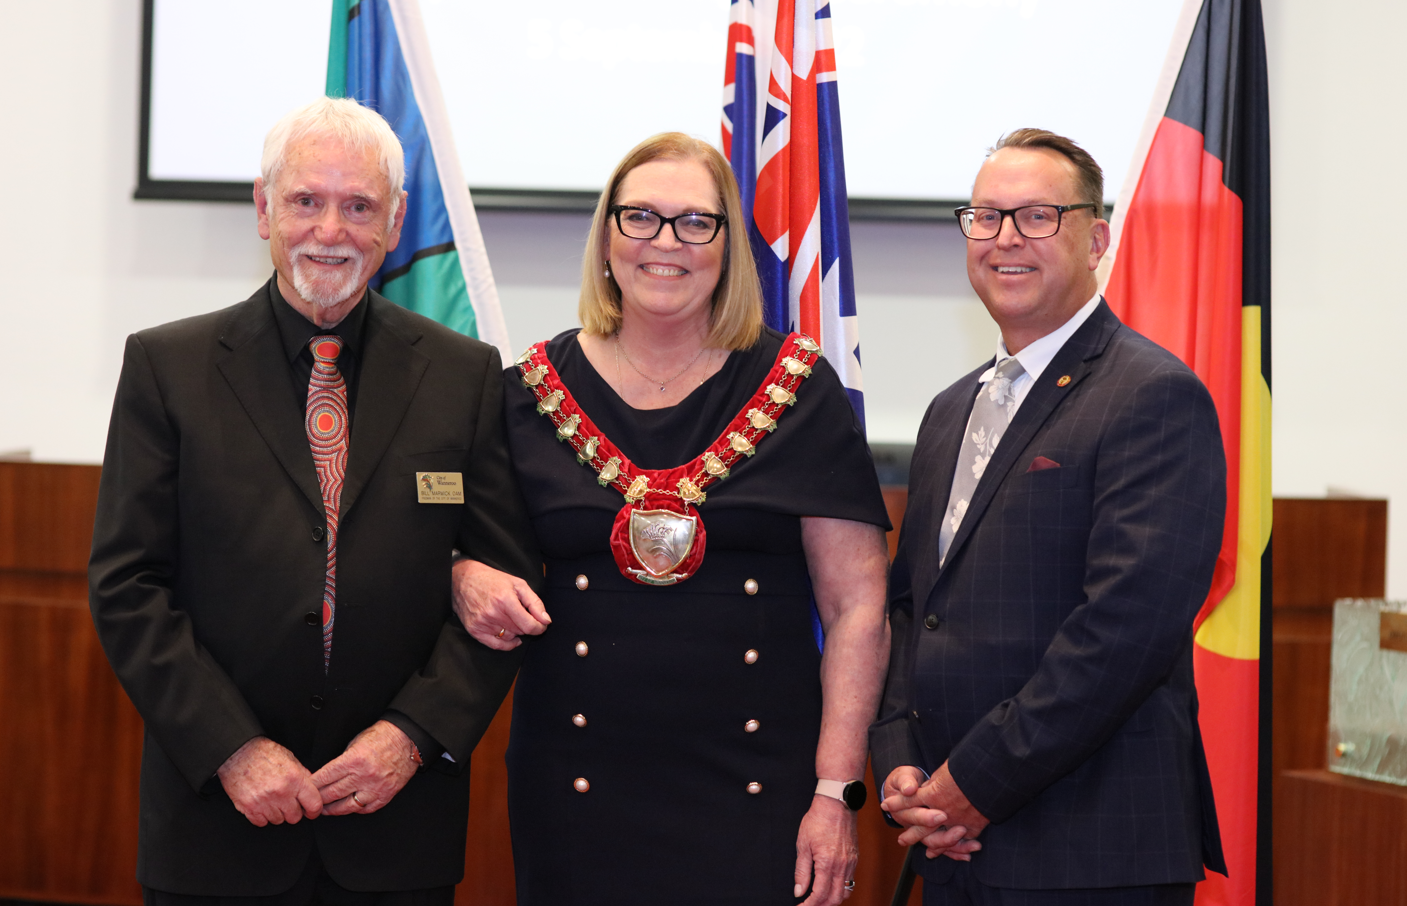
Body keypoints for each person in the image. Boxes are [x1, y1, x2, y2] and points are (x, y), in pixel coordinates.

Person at [88, 97, 539, 904]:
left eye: (358, 206)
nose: (330, 230)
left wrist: (412, 738)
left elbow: (499, 591)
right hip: (218, 826)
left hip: (395, 829)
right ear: (264, 208)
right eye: (306, 200)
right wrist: (234, 750)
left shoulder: (464, 375)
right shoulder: (168, 368)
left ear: (395, 223)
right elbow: (128, 588)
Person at [451, 133, 891, 906]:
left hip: (761, 789)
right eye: (641, 218)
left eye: (696, 222)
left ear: (727, 246)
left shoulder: (798, 388)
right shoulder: (526, 391)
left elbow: (856, 608)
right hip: (575, 784)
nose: (665, 243)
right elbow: (469, 552)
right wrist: (462, 573)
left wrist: (833, 793)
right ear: (606, 236)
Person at [870, 129, 1228, 905]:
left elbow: (1125, 630)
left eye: (1036, 216)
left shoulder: (1152, 395)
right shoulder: (947, 411)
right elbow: (912, 609)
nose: (1004, 239)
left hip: (1089, 851)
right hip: (948, 841)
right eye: (985, 217)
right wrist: (900, 755)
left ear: (1095, 238)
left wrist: (975, 782)